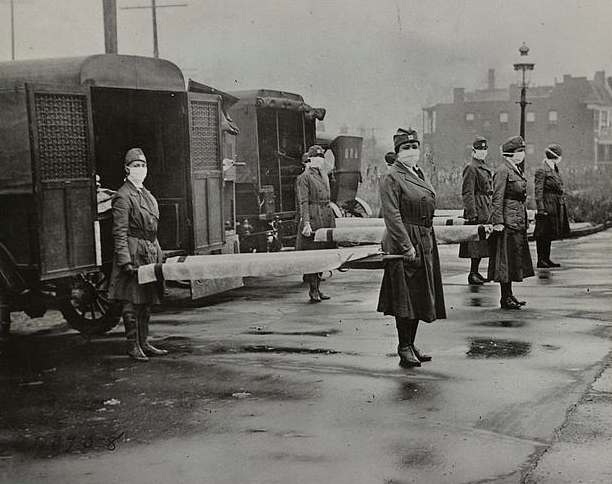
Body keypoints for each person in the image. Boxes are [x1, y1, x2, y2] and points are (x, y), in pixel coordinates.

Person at [377, 128, 446, 367]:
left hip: (423, 237)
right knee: (404, 298)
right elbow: (392, 215)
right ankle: (403, 346)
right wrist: (406, 246)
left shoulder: (417, 173)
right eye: (406, 148)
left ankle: (411, 343)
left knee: (418, 294)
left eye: (414, 146)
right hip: (404, 239)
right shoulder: (392, 177)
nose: (412, 152)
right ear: (397, 152)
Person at [108, 148, 167, 361]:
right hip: (133, 253)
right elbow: (120, 232)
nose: (140, 169)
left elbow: (152, 229)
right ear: (127, 169)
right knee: (131, 302)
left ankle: (144, 342)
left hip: (148, 251)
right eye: (135, 166)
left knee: (146, 300)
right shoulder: (123, 196)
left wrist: (158, 254)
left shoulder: (147, 195)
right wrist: (124, 260)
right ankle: (133, 346)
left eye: (142, 165)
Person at [487, 136, 534, 310]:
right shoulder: (502, 170)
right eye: (519, 151)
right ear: (510, 153)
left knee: (512, 259)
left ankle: (509, 294)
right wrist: (498, 221)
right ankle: (504, 297)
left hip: (516, 219)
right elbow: (497, 198)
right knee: (505, 260)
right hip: (507, 221)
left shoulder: (514, 169)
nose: (522, 154)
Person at [295, 144, 336, 302]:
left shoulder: (322, 174)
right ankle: (313, 290)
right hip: (313, 216)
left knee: (324, 253)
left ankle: (318, 288)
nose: (319, 160)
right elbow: (303, 202)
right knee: (314, 254)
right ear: (310, 159)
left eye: (321, 157)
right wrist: (306, 222)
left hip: (325, 215)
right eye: (316, 157)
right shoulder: (305, 177)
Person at [460, 136, 493, 285]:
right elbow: (468, 192)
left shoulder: (482, 166)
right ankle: (473, 273)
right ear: (473, 150)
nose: (483, 152)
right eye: (480, 149)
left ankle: (476, 272)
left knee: (481, 244)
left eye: (485, 149)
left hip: (486, 206)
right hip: (478, 207)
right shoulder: (471, 167)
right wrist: (472, 212)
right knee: (475, 244)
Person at [534, 143, 570, 268]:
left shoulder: (553, 168)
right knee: (543, 233)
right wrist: (541, 208)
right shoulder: (542, 170)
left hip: (555, 203)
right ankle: (541, 259)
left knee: (549, 233)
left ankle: (546, 258)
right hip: (547, 203)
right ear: (555, 157)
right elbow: (538, 191)